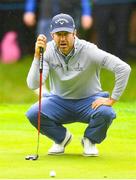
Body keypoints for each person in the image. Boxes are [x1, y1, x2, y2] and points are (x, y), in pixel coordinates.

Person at [26, 13, 131, 156]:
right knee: (33, 113)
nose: (62, 38)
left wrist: (112, 99)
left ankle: (89, 140)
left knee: (106, 112)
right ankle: (61, 139)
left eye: (66, 34)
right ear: (52, 35)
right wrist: (37, 56)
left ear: (74, 33)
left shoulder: (89, 50)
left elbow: (123, 68)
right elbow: (33, 84)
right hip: (59, 102)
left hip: (89, 101)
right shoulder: (48, 51)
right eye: (58, 34)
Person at [23, 0, 92, 41]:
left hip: (69, 16)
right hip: (47, 16)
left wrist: (86, 13)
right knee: (46, 50)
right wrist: (29, 10)